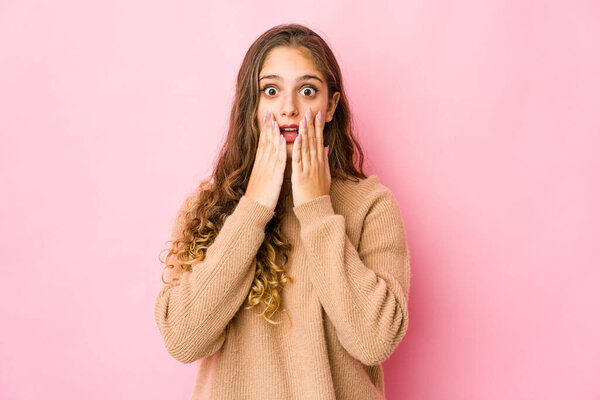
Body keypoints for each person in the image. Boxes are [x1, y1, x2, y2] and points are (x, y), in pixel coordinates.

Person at [154, 23, 411, 400]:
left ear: (331, 106)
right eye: (271, 91)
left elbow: (374, 342)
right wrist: (254, 207)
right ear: (251, 104)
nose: (289, 108)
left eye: (307, 91)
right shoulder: (204, 206)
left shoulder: (372, 206)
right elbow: (182, 339)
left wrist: (316, 209)